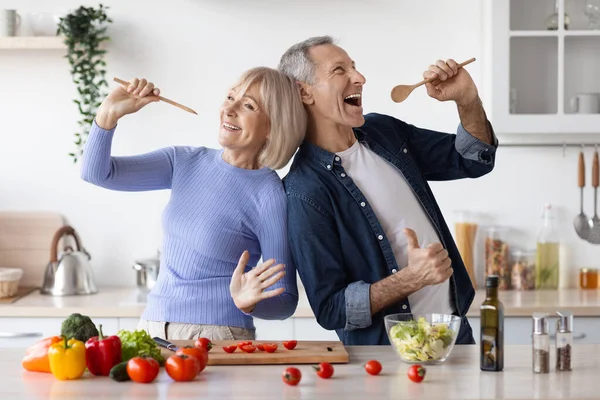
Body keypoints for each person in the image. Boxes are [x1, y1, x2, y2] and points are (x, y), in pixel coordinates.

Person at [278, 36, 497, 345]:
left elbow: (472, 159)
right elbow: (330, 309)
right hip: (386, 356)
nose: (360, 78)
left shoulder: (384, 133)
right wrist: (409, 279)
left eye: (354, 67)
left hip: (454, 336)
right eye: (339, 70)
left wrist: (467, 100)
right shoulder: (304, 190)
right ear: (304, 92)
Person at [81, 67, 307, 340]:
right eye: (230, 97)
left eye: (248, 105)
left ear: (273, 125)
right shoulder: (183, 161)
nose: (229, 109)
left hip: (216, 336)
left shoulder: (269, 194)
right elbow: (97, 173)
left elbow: (285, 300)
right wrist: (108, 113)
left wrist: (249, 302)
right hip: (151, 327)